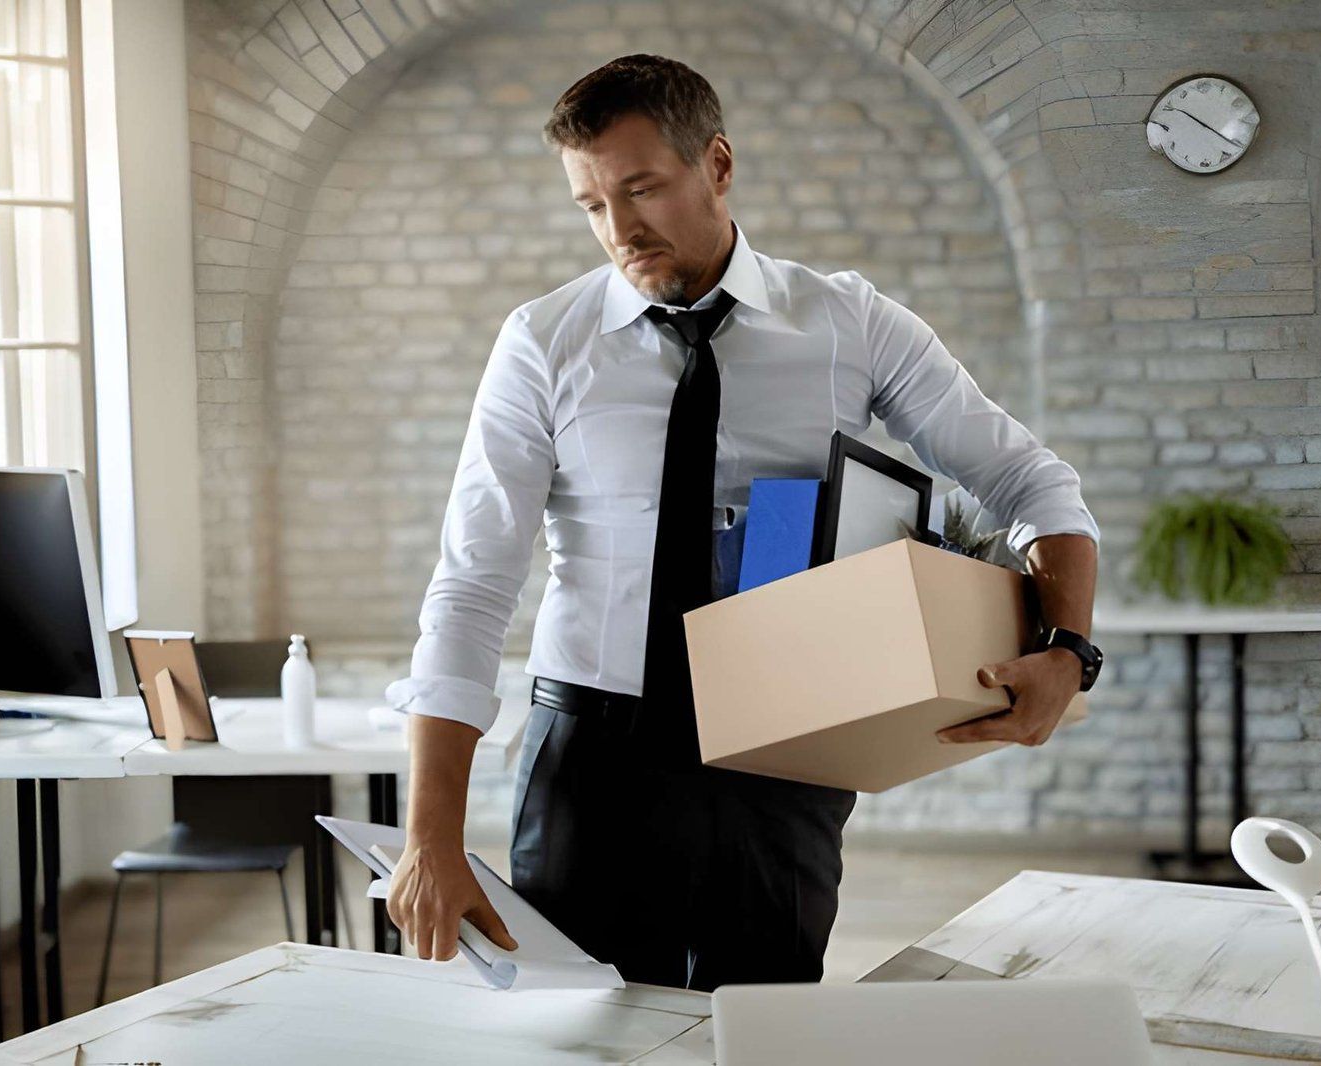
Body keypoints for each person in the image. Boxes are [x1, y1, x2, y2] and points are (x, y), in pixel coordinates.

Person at [383, 53, 1100, 991]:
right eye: (593, 206)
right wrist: (430, 834)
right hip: (596, 751)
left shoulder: (849, 323)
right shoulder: (544, 343)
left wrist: (1068, 648)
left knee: (764, 1026)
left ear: (717, 165)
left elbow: (1029, 480)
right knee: (579, 1035)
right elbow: (474, 582)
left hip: (787, 738)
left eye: (643, 189)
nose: (621, 229)